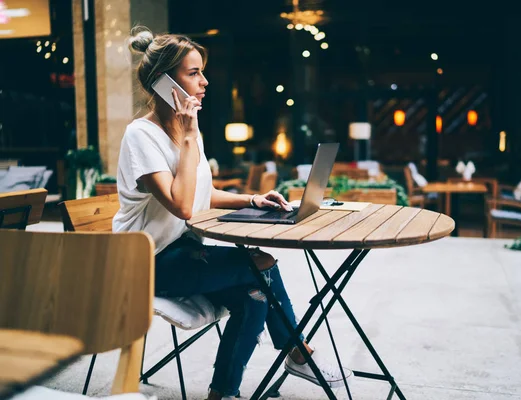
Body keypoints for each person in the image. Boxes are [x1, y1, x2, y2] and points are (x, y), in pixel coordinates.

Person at [112, 27, 352, 400]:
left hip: (181, 252)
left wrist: (252, 200)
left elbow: (201, 194)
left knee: (255, 293)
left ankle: (223, 392)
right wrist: (190, 135)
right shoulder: (141, 136)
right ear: (163, 83)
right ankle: (298, 352)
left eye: (202, 72)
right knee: (262, 263)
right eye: (193, 73)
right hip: (144, 262)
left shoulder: (185, 130)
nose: (205, 82)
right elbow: (183, 205)